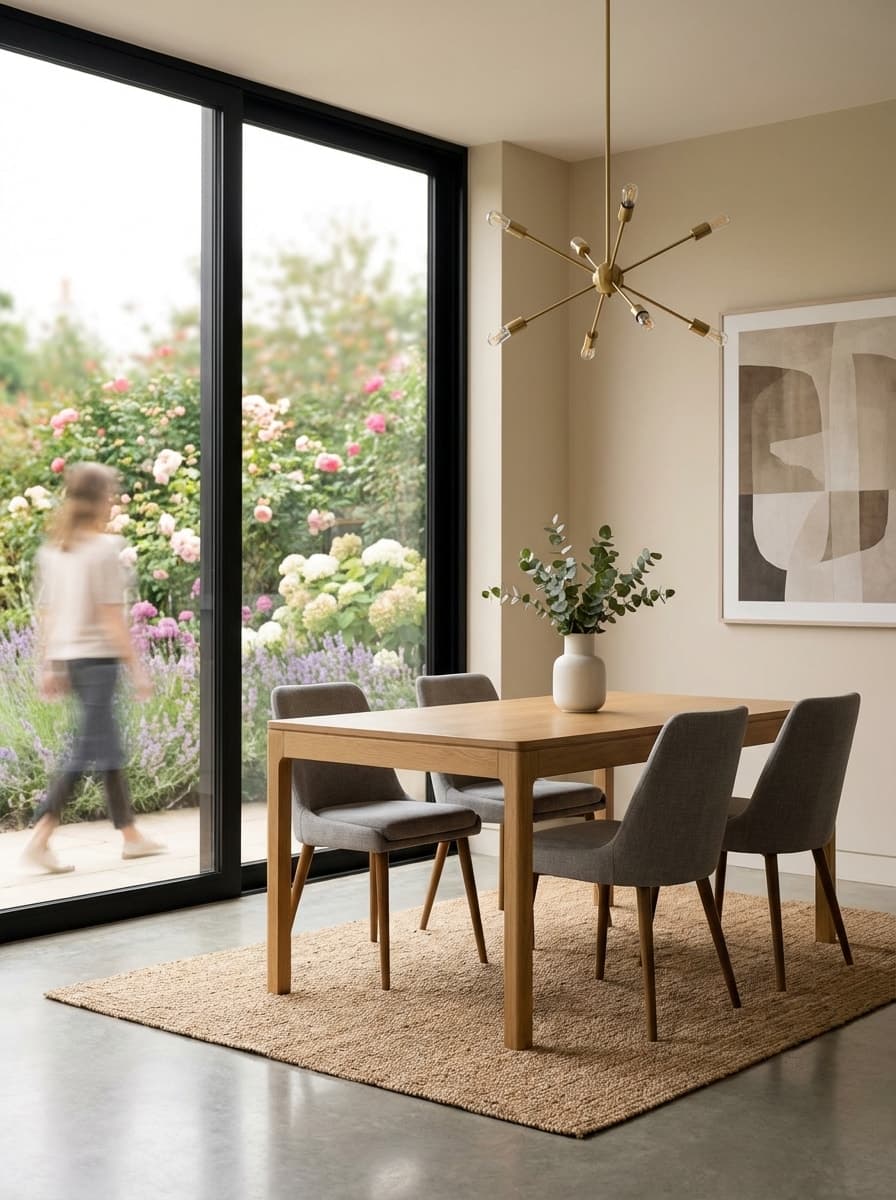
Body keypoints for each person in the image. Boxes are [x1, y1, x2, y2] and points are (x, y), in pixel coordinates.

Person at [22, 462, 165, 873]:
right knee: (90, 746)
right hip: (99, 659)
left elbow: (47, 614)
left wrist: (48, 664)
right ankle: (42, 833)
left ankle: (131, 836)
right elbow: (110, 617)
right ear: (101, 499)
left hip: (69, 657)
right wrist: (137, 668)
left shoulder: (54, 550)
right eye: (111, 494)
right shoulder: (103, 549)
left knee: (104, 743)